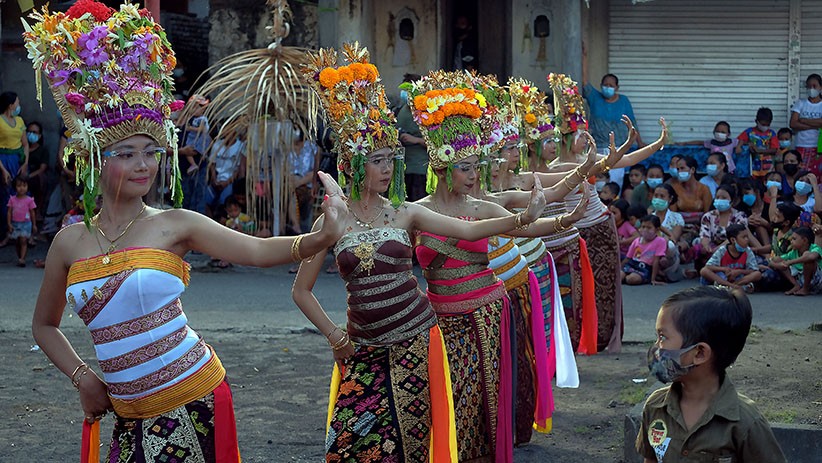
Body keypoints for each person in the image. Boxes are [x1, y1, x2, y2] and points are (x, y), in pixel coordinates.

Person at [24, 4, 349, 462]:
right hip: (126, 411)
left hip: (194, 397)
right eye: (126, 153)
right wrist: (83, 378)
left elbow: (255, 252)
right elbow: (44, 325)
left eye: (150, 152)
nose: (143, 165)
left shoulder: (174, 223)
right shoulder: (67, 242)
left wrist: (319, 239)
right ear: (94, 159)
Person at [296, 46, 564, 463]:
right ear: (351, 163)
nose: (387, 169)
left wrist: (521, 219)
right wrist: (335, 336)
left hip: (417, 339)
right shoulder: (332, 221)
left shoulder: (406, 212)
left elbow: (468, 229)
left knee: (416, 442)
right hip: (361, 345)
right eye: (377, 160)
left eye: (391, 159)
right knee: (351, 446)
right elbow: (302, 291)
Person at [636, 286, 786, 463]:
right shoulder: (655, 407)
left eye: (663, 337)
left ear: (699, 353)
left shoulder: (746, 422)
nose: (656, 347)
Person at [581, 73, 644, 188]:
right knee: (597, 181)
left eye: (611, 85)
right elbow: (585, 81)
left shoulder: (624, 101)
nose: (608, 87)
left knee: (615, 182)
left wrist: (639, 142)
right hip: (598, 147)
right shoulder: (595, 97)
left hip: (618, 148)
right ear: (600, 86)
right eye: (605, 85)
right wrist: (584, 55)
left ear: (617, 87)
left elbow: (632, 123)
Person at [695, 184, 749, 270]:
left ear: (732, 201)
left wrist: (718, 249)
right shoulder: (708, 216)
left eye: (724, 198)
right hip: (712, 249)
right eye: (717, 197)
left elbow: (736, 238)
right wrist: (706, 246)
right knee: (698, 245)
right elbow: (705, 235)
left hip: (730, 247)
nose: (720, 200)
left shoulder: (740, 216)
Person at [0, 91, 30, 246]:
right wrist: (3, 170)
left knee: (21, 196)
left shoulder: (19, 121)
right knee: (6, 198)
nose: (19, 105)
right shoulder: (0, 121)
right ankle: (7, 232)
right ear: (10, 104)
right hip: (3, 160)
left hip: (17, 160)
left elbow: (25, 144)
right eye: (17, 102)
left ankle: (24, 232)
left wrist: (25, 164)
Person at [699, 224, 761, 291]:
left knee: (757, 274)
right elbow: (708, 266)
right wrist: (723, 269)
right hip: (723, 276)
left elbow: (753, 270)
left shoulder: (747, 251)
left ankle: (734, 285)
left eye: (747, 237)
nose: (747, 240)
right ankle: (730, 286)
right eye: (744, 237)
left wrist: (739, 271)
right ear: (733, 240)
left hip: (738, 277)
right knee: (704, 271)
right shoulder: (722, 250)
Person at [395, 74, 427, 201]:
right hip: (403, 168)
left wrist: (416, 140)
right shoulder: (401, 109)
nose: (404, 93)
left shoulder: (426, 113)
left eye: (408, 90)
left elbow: (439, 145)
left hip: (419, 169)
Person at [650, 183, 689, 281]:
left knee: (670, 245)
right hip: (650, 250)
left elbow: (674, 238)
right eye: (656, 196)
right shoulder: (649, 216)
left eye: (662, 196)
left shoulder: (676, 217)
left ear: (670, 199)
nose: (658, 199)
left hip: (667, 253)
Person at [179, 95, 211, 214]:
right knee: (184, 199)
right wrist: (183, 151)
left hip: (200, 165)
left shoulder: (203, 121)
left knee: (198, 198)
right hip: (183, 168)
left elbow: (209, 139)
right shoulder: (181, 124)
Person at [769, 227, 822, 295]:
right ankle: (796, 285)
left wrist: (790, 262)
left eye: (794, 239)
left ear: (804, 240)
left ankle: (805, 289)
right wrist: (780, 265)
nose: (791, 242)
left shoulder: (814, 247)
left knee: (807, 258)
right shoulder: (793, 252)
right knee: (779, 260)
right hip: (800, 279)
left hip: (817, 281)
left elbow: (811, 257)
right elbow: (772, 261)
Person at [206, 129, 245, 217]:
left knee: (224, 200)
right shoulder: (217, 145)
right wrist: (214, 179)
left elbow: (238, 169)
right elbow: (212, 164)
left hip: (230, 181)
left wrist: (226, 182)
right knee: (205, 199)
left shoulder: (240, 146)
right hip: (217, 179)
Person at [790, 73, 822, 177]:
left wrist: (803, 120)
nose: (811, 89)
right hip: (801, 145)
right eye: (809, 86)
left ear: (820, 87)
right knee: (800, 174)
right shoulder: (800, 103)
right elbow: (793, 123)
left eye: (814, 86)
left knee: (815, 175)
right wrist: (816, 124)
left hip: (818, 147)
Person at [621, 215, 667, 285]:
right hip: (632, 264)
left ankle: (629, 278)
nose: (645, 230)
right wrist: (620, 268)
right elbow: (628, 257)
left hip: (645, 268)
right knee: (619, 276)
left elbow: (656, 260)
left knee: (632, 279)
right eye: (643, 227)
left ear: (656, 230)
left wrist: (653, 279)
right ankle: (625, 276)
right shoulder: (637, 241)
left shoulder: (660, 241)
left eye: (649, 228)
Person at [738, 107, 778, 180]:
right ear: (756, 121)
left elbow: (774, 149)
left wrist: (759, 150)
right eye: (763, 124)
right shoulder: (749, 132)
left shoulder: (771, 134)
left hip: (767, 167)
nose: (765, 127)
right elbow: (739, 141)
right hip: (752, 166)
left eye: (767, 124)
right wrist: (748, 144)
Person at [671, 155, 712, 220]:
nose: (679, 172)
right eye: (678, 169)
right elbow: (673, 214)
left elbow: (707, 214)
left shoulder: (704, 189)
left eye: (682, 168)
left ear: (692, 170)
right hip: (679, 226)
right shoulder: (675, 189)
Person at [7, 175, 36, 266]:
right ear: (15, 187)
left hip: (26, 224)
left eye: (24, 186)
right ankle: (20, 256)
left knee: (23, 241)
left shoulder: (29, 200)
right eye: (19, 186)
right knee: (17, 242)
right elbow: (9, 212)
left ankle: (22, 258)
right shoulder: (12, 200)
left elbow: (32, 213)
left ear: (27, 187)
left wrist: (34, 224)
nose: (21, 188)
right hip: (15, 223)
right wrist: (9, 224)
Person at [26, 121, 49, 226]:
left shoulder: (43, 150)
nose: (31, 134)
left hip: (34, 177)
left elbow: (42, 168)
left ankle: (37, 212)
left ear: (40, 135)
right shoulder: (22, 148)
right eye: (29, 131)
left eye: (34, 132)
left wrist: (29, 176)